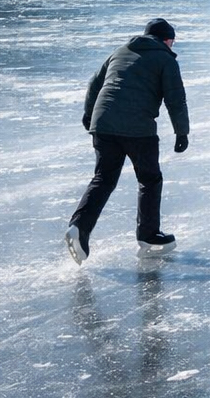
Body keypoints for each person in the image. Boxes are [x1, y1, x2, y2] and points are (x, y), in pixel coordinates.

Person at [66, 18, 190, 265]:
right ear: (166, 40)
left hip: (103, 125)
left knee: (104, 178)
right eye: (172, 41)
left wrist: (90, 114)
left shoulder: (120, 51)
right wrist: (182, 132)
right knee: (149, 179)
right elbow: (175, 99)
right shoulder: (165, 58)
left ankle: (79, 226)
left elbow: (94, 84)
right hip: (138, 129)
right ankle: (148, 235)